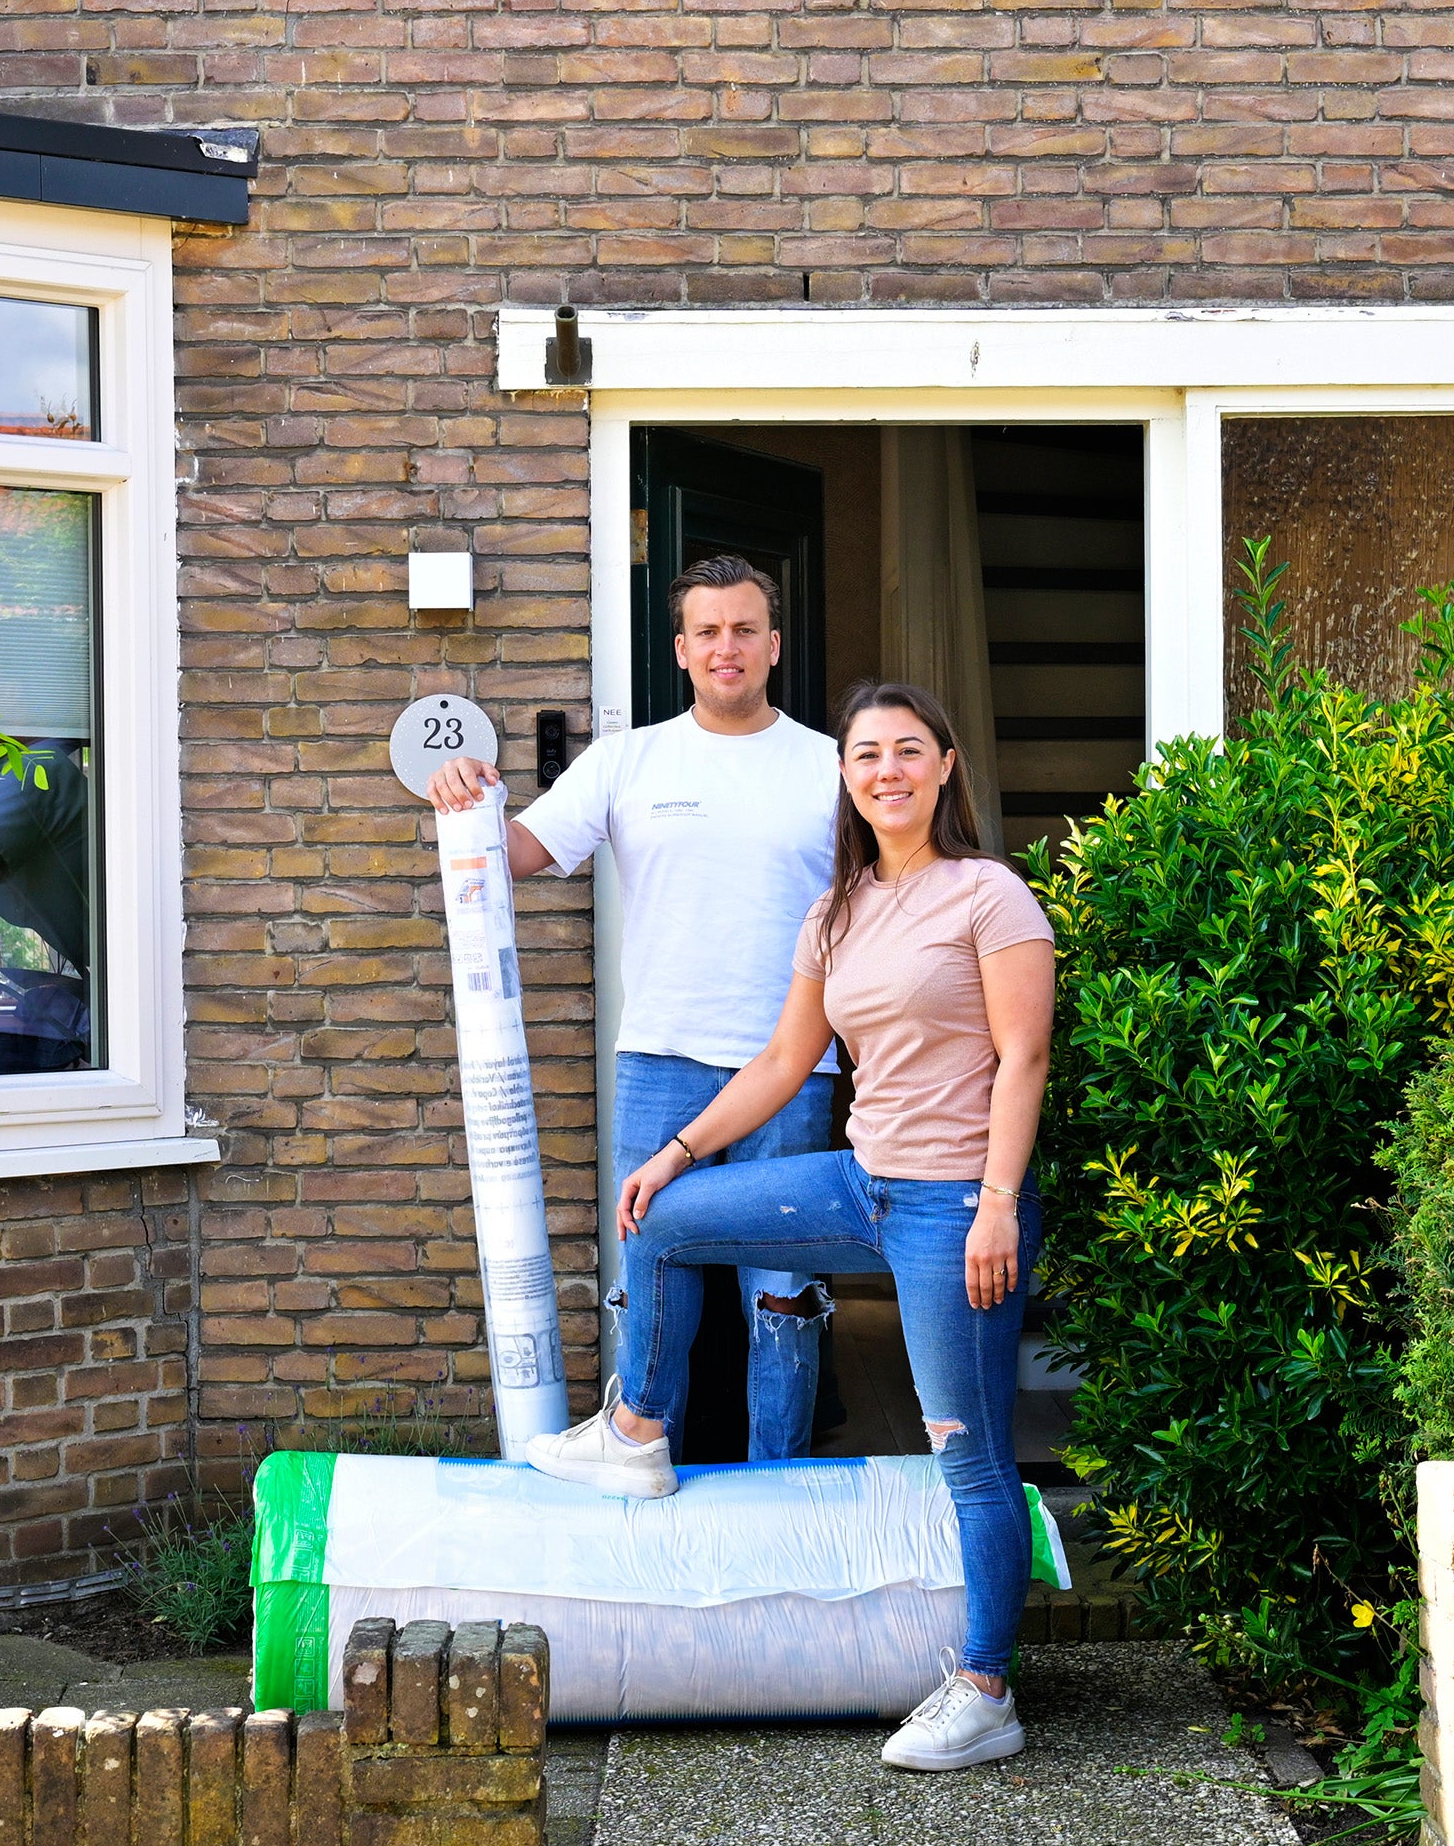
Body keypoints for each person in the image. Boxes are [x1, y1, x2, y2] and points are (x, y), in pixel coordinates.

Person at [523, 681, 1057, 1774]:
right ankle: (635, 1431)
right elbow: (780, 1064)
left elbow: (1022, 1059)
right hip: (860, 1185)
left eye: (908, 751)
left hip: (953, 1204)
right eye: (865, 755)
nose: (885, 771)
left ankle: (984, 1687)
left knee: (969, 1455)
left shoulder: (987, 897)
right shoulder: (838, 910)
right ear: (846, 778)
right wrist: (667, 1155)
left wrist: (997, 1202)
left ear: (943, 767)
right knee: (663, 1221)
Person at [428, 554, 842, 1462]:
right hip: (660, 1064)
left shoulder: (831, 768)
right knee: (656, 1287)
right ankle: (641, 1469)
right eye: (707, 632)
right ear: (681, 651)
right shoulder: (628, 759)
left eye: (743, 629)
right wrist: (464, 792)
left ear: (773, 645)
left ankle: (783, 1488)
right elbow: (517, 853)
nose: (725, 647)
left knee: (781, 1296)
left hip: (794, 1067)